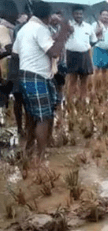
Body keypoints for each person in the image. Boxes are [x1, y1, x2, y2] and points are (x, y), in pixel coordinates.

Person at [12, 1, 72, 162]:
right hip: (37, 77)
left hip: (25, 75)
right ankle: (40, 156)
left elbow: (16, 52)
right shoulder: (40, 29)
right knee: (43, 117)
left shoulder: (25, 29)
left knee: (32, 116)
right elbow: (54, 52)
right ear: (46, 16)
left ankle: (28, 152)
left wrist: (54, 38)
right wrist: (64, 32)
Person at [65, 5, 100, 104]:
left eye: (80, 14)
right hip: (71, 55)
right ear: (73, 14)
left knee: (84, 80)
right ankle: (70, 101)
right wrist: (67, 32)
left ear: (83, 15)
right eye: (76, 14)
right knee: (72, 80)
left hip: (85, 55)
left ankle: (82, 100)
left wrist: (99, 34)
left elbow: (93, 41)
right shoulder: (68, 26)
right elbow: (62, 41)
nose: (78, 16)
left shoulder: (88, 27)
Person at [92, 9, 108, 76]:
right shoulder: (95, 24)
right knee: (96, 69)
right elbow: (91, 37)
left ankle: (103, 84)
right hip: (98, 49)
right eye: (103, 15)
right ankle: (94, 85)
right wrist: (98, 31)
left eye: (107, 15)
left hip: (107, 50)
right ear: (100, 16)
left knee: (105, 70)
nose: (105, 16)